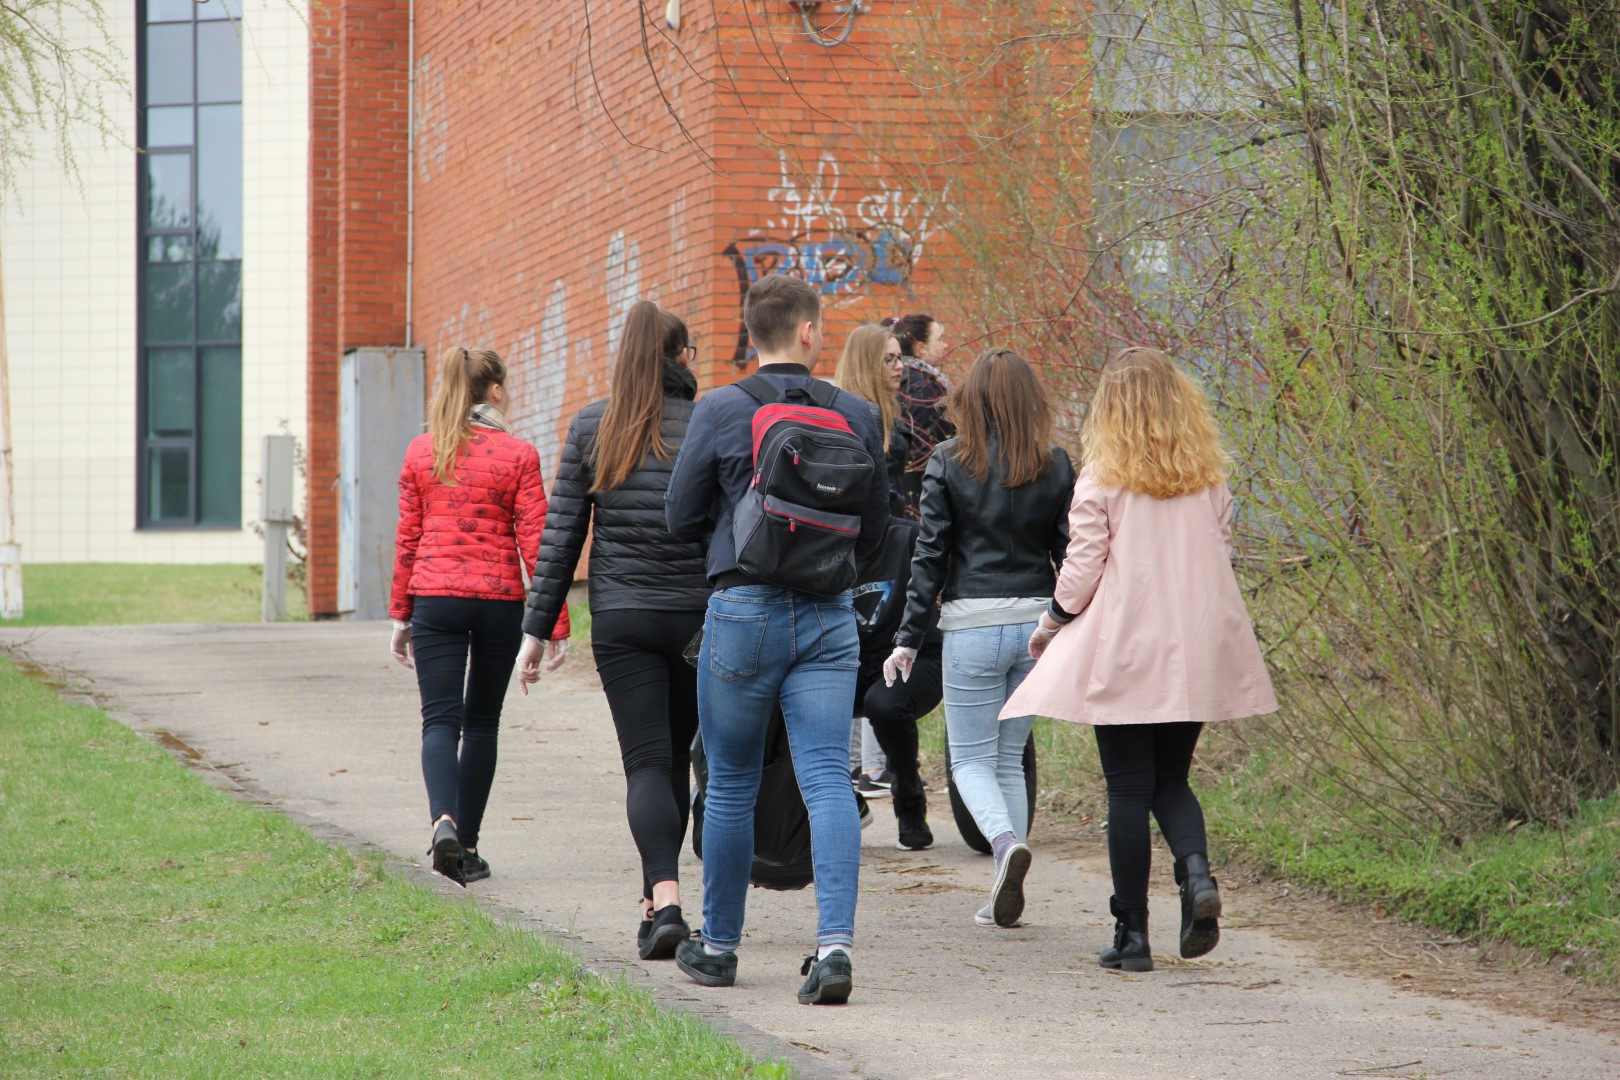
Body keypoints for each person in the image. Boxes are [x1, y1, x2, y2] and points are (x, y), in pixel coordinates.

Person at [1003, 347, 1278, 973]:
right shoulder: (1208, 478)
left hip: (1127, 647)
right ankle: (1196, 875)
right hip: (1197, 646)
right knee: (1172, 780)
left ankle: (1132, 937)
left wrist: (1051, 623)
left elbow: (1082, 567)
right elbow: (1221, 551)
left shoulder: (1102, 476)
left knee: (1128, 788)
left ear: (1112, 407)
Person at [664, 274, 890, 1005]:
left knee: (731, 781)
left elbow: (678, 514)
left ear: (751, 333)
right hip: (828, 615)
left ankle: (719, 947)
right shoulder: (856, 412)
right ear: (808, 332)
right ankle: (834, 949)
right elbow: (877, 526)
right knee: (827, 776)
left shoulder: (720, 408)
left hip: (743, 610)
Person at [516, 301, 710, 960]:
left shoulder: (592, 425)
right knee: (676, 757)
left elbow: (562, 534)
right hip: (698, 618)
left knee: (647, 763)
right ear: (681, 357)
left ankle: (662, 900)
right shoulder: (709, 422)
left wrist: (538, 629)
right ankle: (664, 900)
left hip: (623, 618)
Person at [886, 348, 1075, 928]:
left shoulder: (949, 460)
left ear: (970, 398)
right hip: (1039, 627)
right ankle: (1003, 887)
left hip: (972, 624)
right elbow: (1070, 555)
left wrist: (908, 636)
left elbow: (930, 557)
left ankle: (1004, 844)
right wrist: (1066, 621)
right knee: (1008, 759)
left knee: (969, 760)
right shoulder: (1055, 462)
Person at [389, 345, 569, 886]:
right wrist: (554, 624)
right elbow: (538, 544)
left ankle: (442, 822)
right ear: (494, 391)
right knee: (482, 723)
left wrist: (400, 616)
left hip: (435, 599)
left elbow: (408, 539)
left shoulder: (422, 451)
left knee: (440, 721)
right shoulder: (519, 455)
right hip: (498, 603)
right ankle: (466, 846)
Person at [835, 323, 941, 850]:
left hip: (895, 548)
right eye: (890, 359)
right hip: (859, 548)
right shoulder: (853, 419)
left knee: (887, 690)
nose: (901, 367)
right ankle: (842, 796)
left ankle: (904, 795)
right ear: (866, 364)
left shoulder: (892, 415)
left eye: (901, 357)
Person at [882, 313, 953, 517]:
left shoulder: (897, 382)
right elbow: (929, 454)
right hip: (920, 503)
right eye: (939, 339)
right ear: (921, 347)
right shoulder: (926, 390)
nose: (945, 345)